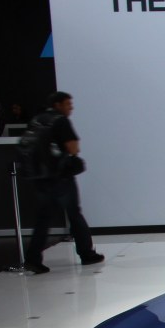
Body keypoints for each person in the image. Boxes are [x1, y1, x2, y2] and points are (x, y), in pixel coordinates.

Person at [24, 91, 104, 274]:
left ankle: (33, 258)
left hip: (40, 177)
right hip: (60, 177)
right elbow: (73, 148)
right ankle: (87, 253)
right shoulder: (61, 121)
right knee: (74, 214)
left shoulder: (37, 120)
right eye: (68, 104)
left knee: (43, 219)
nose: (71, 107)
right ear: (58, 105)